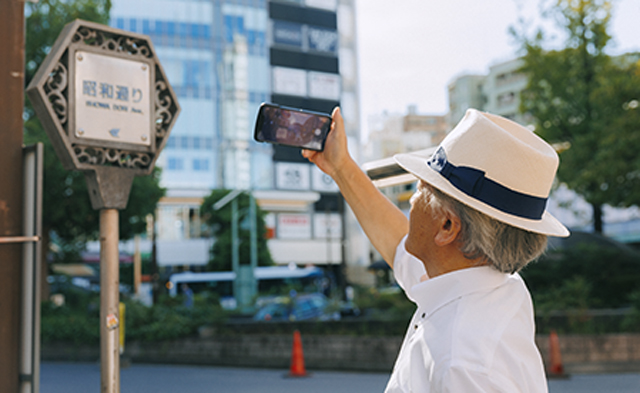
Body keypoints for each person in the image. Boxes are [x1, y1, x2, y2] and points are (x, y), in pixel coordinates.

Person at [302, 107, 569, 392]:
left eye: (420, 188)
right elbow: (398, 246)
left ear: (446, 227)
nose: (412, 202)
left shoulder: (464, 365)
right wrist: (340, 166)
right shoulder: (492, 285)